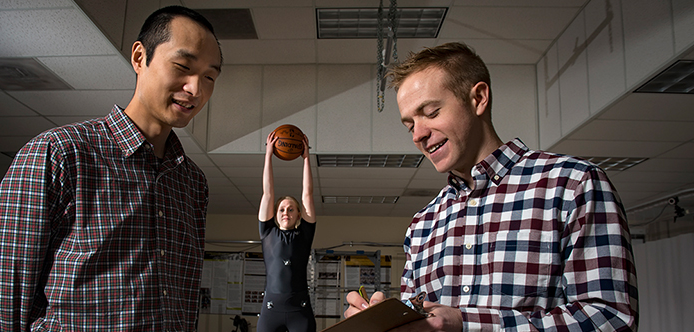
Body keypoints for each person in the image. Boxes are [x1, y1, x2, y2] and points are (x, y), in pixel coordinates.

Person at [344, 42, 638, 331]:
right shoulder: (423, 224)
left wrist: (467, 324)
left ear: (479, 98)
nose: (418, 135)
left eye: (431, 112)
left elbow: (610, 320)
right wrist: (385, 321)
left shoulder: (572, 185)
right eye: (409, 125)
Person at [0, 6, 222, 331]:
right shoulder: (60, 153)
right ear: (138, 57)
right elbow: (2, 299)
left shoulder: (192, 182)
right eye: (183, 66)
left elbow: (184, 298)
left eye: (209, 77)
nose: (196, 89)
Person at [257, 131, 317, 332]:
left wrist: (306, 157)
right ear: (275, 213)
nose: (286, 212)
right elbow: (268, 192)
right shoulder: (267, 232)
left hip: (299, 310)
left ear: (299, 214)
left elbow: (307, 193)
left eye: (291, 209)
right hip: (270, 310)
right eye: (282, 209)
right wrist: (268, 155)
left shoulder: (305, 234)